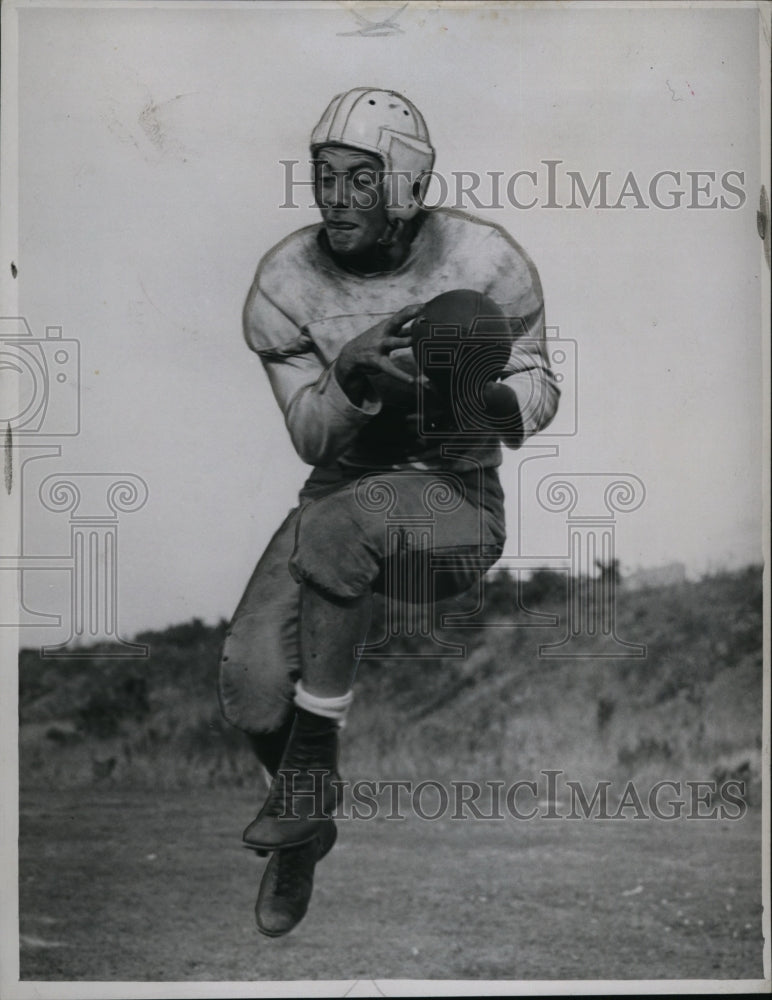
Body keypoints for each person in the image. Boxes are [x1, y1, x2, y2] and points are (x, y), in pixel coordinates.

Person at [218, 87, 560, 937]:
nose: (334, 198)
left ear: (404, 184)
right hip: (340, 487)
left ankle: (312, 766)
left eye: (358, 180)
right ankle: (304, 826)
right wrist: (352, 377)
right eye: (322, 177)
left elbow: (541, 387)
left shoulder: (484, 261)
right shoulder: (286, 280)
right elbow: (309, 435)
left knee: (345, 523)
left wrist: (467, 393)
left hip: (453, 500)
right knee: (252, 688)